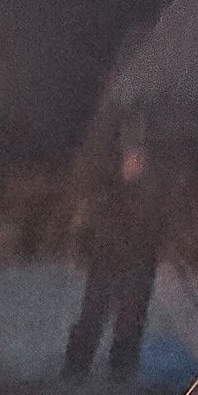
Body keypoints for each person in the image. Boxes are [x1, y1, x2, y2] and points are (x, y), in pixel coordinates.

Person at [65, 115, 172, 381]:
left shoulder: (151, 186)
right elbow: (90, 217)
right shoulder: (105, 187)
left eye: (140, 155)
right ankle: (75, 372)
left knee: (131, 322)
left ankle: (121, 374)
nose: (137, 160)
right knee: (93, 316)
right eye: (132, 154)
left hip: (139, 258)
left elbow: (156, 217)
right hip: (109, 254)